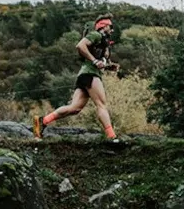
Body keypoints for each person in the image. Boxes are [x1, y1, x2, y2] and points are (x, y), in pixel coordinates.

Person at [33, 13, 121, 142]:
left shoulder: (103, 42)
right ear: (103, 26)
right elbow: (80, 46)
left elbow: (98, 60)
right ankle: (112, 137)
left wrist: (108, 66)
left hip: (85, 75)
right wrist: (95, 61)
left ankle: (43, 121)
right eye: (110, 26)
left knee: (74, 108)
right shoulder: (96, 34)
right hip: (90, 74)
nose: (112, 30)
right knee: (101, 105)